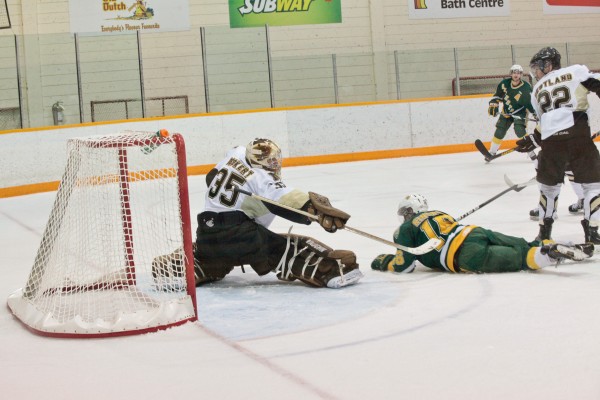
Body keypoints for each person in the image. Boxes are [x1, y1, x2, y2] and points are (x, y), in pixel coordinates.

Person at [152, 138, 363, 289]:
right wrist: (318, 212)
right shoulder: (263, 178)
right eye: (269, 162)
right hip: (243, 237)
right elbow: (289, 200)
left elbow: (210, 177)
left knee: (212, 255)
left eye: (274, 160)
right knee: (288, 248)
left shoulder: (235, 155)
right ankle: (330, 270)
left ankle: (181, 268)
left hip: (207, 232)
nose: (272, 165)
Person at [371, 194, 593, 274]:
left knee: (521, 259)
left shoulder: (404, 230)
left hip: (462, 255)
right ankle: (551, 243)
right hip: (475, 232)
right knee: (525, 245)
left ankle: (549, 254)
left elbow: (405, 266)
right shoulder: (438, 213)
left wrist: (385, 262)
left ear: (408, 212)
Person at [515, 47, 600, 243]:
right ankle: (592, 231)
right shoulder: (575, 71)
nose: (536, 72)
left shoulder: (536, 90)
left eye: (538, 67)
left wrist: (532, 140)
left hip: (551, 143)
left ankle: (544, 233)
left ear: (549, 65)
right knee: (593, 185)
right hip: (578, 135)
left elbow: (546, 121)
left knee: (548, 189)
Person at [486, 64, 537, 161]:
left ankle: (531, 152)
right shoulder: (504, 84)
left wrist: (536, 114)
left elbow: (530, 104)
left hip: (520, 112)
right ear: (511, 74)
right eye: (514, 72)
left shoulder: (526, 88)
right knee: (499, 131)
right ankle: (492, 152)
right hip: (506, 112)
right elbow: (497, 96)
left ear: (521, 75)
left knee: (519, 130)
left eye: (518, 73)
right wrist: (493, 104)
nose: (516, 75)